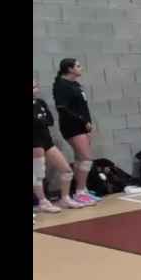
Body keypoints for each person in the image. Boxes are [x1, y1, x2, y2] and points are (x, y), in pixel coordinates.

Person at [51, 58, 100, 206]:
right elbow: (63, 108)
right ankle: (79, 192)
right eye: (78, 66)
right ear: (70, 69)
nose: (81, 68)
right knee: (86, 158)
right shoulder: (61, 85)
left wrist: (88, 123)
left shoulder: (76, 84)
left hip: (83, 125)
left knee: (80, 158)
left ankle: (82, 190)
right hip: (72, 126)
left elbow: (83, 107)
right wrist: (82, 121)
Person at [33, 78, 81, 213]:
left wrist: (39, 120)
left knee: (66, 170)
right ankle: (43, 202)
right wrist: (40, 120)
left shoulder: (40, 102)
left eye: (36, 86)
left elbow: (50, 120)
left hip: (46, 141)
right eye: (33, 88)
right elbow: (37, 122)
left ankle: (65, 198)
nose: (36, 90)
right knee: (38, 174)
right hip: (34, 143)